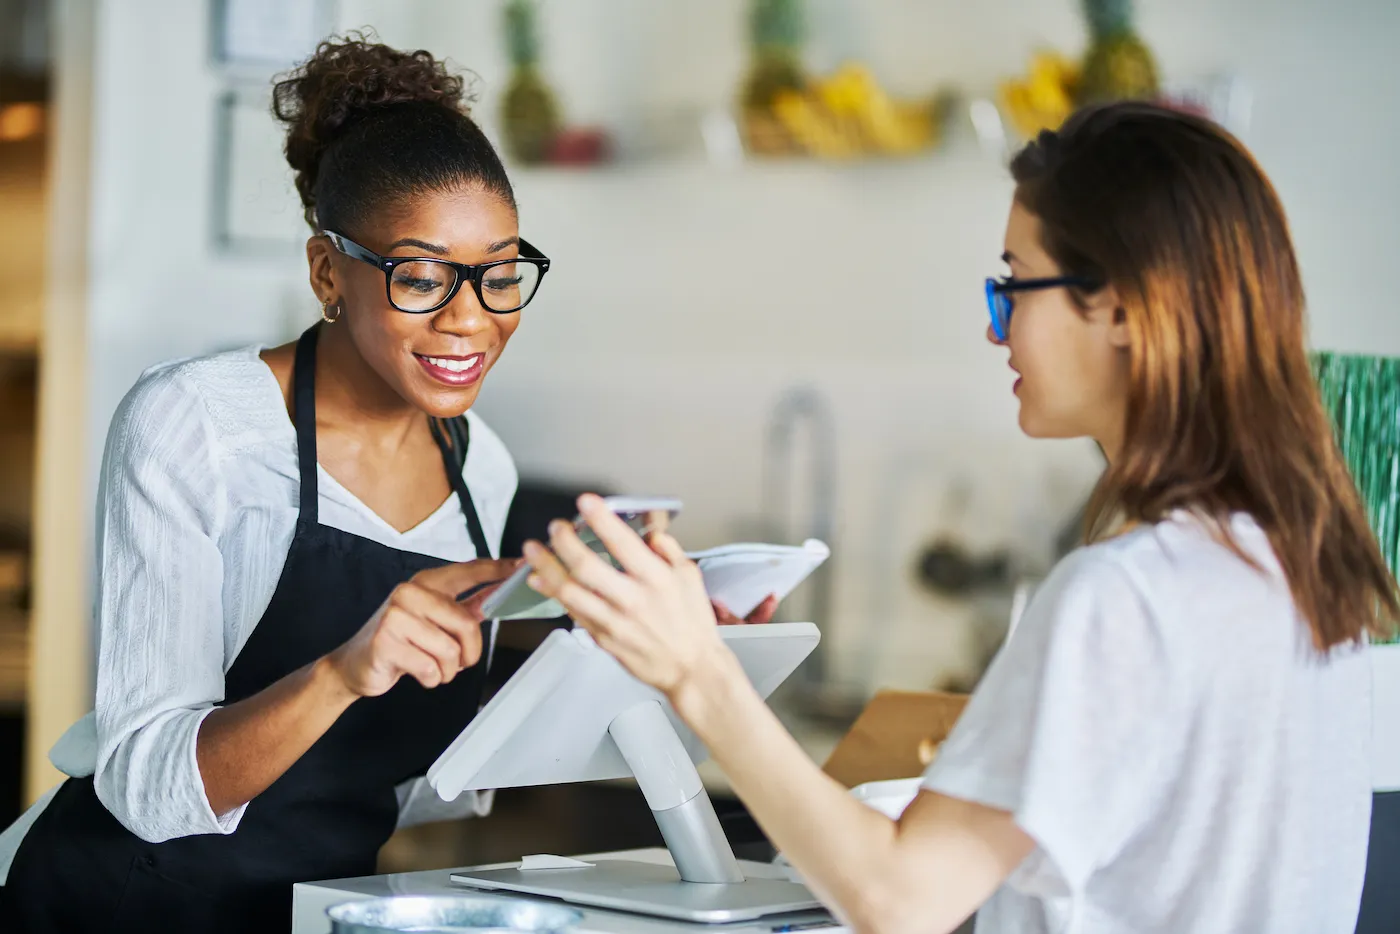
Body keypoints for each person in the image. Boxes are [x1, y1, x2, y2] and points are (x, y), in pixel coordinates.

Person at [527, 102, 1398, 934]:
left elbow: (902, 900)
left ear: (1126, 307)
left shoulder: (1125, 595)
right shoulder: (1300, 567)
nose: (997, 329)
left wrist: (696, 678)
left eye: (1016, 286)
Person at [0, 37, 539, 933]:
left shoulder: (483, 464)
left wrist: (623, 665)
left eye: (501, 274)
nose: (470, 317)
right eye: (420, 276)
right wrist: (340, 671)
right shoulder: (197, 423)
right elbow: (143, 786)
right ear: (328, 272)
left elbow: (404, 785)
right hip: (115, 906)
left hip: (311, 914)